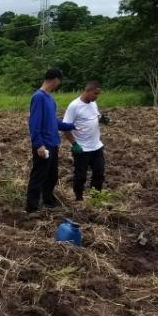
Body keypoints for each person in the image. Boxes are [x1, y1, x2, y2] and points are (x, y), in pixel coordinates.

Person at [26, 68, 76, 217]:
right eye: (59, 81)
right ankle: (32, 207)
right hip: (44, 145)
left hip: (53, 143)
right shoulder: (38, 97)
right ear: (55, 79)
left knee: (52, 175)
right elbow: (34, 123)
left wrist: (70, 126)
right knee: (39, 175)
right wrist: (38, 144)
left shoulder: (50, 98)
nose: (59, 84)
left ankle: (48, 200)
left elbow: (53, 121)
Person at [63, 80, 110, 200]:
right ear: (87, 91)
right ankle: (78, 198)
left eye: (98, 94)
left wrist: (102, 120)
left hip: (96, 146)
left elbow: (94, 117)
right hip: (81, 148)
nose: (97, 96)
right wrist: (74, 144)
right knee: (80, 176)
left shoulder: (93, 103)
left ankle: (96, 198)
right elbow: (65, 127)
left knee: (99, 173)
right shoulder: (74, 106)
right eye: (95, 93)